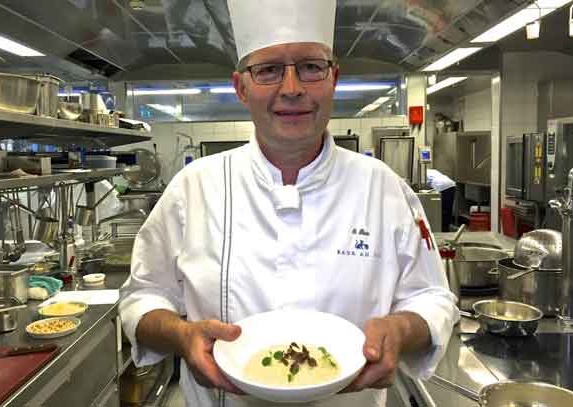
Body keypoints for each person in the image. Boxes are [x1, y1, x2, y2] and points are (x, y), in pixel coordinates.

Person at [119, 1, 459, 406]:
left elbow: (433, 297)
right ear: (240, 87)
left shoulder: (383, 188)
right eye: (268, 69)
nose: (292, 88)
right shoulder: (193, 188)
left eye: (311, 66)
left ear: (333, 78)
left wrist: (401, 329)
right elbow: (141, 296)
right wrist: (181, 335)